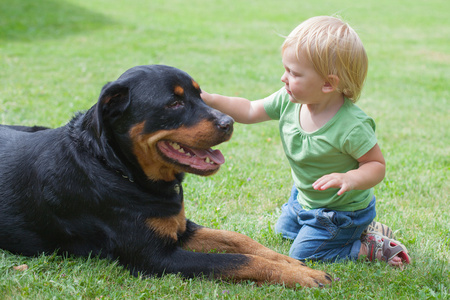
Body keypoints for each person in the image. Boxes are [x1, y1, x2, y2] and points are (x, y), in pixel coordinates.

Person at [201, 16, 411, 267]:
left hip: (341, 212)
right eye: (285, 69)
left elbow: (376, 164)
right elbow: (248, 109)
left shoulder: (352, 126)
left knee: (302, 256)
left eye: (294, 73)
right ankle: (363, 230)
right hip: (303, 199)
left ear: (327, 83)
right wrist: (210, 99)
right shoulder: (288, 100)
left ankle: (368, 246)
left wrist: (350, 179)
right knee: (284, 233)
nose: (283, 78)